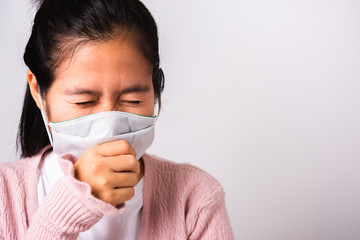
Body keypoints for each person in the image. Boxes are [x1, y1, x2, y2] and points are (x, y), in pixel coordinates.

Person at [0, 0, 234, 239]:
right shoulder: (3, 195)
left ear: (155, 90)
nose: (108, 125)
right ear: (38, 91)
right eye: (84, 101)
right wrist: (70, 208)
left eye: (132, 100)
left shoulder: (195, 198)